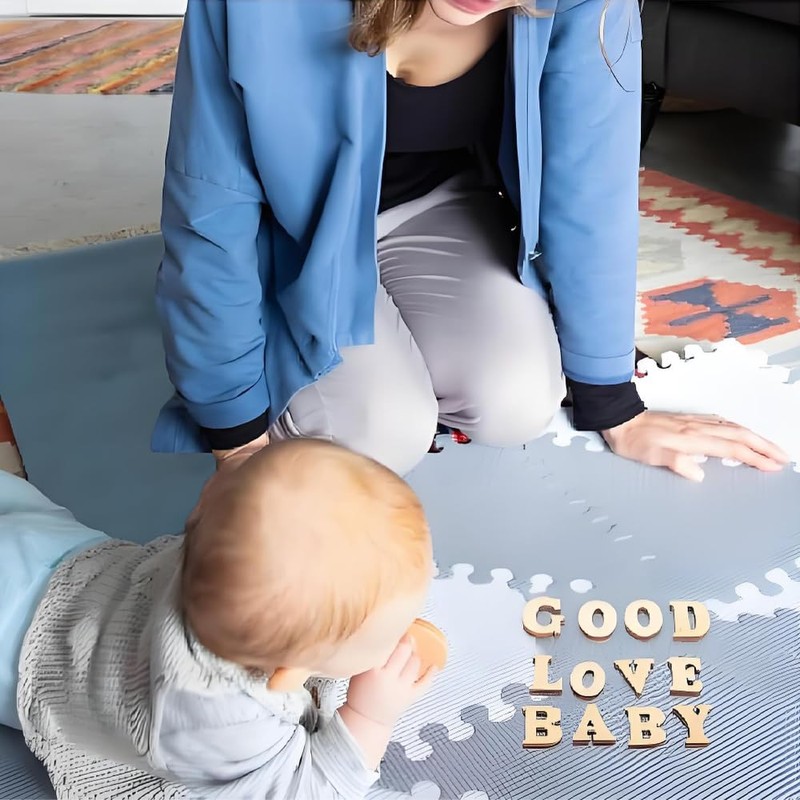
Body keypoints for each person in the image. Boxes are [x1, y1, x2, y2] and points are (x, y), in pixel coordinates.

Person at [152, 0, 789, 482]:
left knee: (516, 402)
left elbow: (591, 185)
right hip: (290, 236)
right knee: (377, 431)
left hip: (435, 208)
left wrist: (613, 402)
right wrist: (235, 438)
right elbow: (209, 205)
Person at [1, 440, 436, 799]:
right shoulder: (216, 715)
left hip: (49, 548)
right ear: (287, 673)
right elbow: (302, 790)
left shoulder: (230, 542)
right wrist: (370, 716)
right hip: (18, 651)